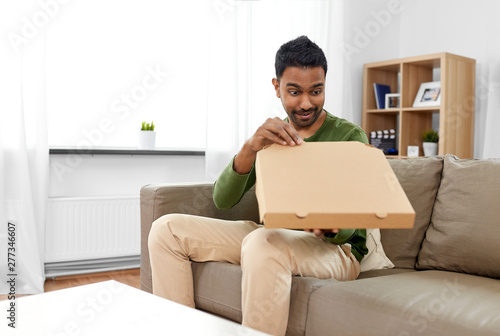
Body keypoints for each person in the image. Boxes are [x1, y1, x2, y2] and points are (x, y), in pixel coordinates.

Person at [148, 35, 368, 336]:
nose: (306, 103)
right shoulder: (273, 134)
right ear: (277, 88)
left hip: (337, 250)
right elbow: (223, 199)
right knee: (166, 230)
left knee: (262, 243)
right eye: (294, 91)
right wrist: (251, 147)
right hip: (274, 236)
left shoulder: (349, 137)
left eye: (316, 91)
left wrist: (327, 225)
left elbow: (352, 227)